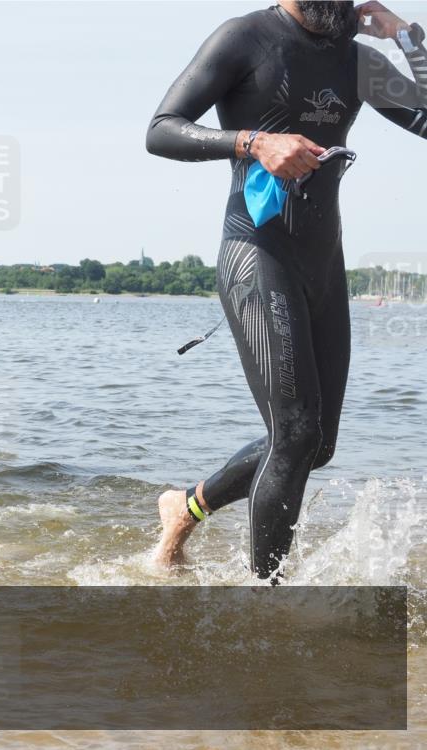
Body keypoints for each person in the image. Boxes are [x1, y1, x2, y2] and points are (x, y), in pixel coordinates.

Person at [146, 1, 426, 581]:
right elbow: (161, 130)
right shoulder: (245, 38)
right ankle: (266, 605)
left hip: (323, 263)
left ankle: (186, 507)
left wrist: (408, 38)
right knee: (295, 433)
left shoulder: (357, 60)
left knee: (315, 445)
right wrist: (252, 142)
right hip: (257, 252)